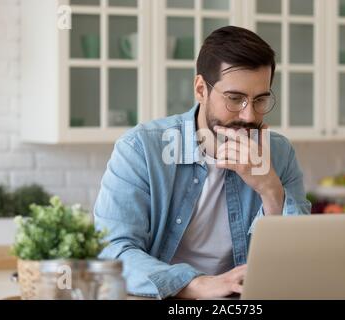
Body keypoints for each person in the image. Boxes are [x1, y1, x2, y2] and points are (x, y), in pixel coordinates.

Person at [94, 26, 311, 300]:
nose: (248, 115)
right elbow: (114, 251)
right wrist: (198, 284)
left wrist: (270, 189)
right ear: (200, 89)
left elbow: (299, 262)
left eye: (260, 100)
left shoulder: (278, 153)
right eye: (235, 99)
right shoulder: (141, 149)